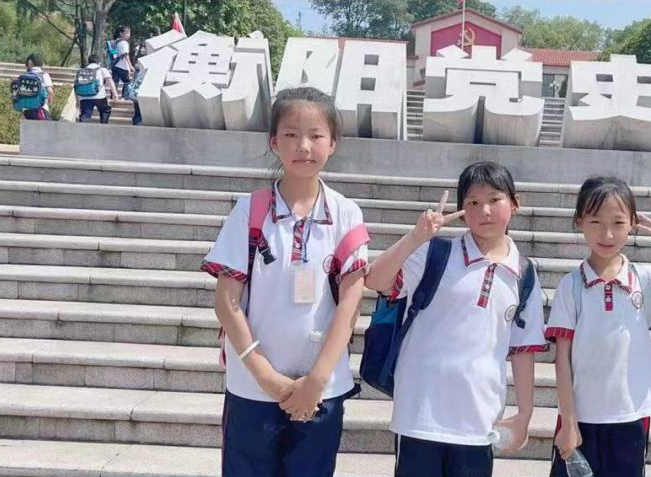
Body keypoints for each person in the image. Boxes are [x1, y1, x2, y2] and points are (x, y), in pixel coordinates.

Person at [201, 87, 369, 476]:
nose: (303, 146)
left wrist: (317, 380)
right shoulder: (251, 210)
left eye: (315, 135)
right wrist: (264, 375)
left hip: (321, 390)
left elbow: (351, 302)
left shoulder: (346, 213)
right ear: (273, 142)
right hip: (252, 388)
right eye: (291, 134)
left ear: (333, 143)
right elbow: (226, 300)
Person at [365, 161, 546, 477]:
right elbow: (376, 280)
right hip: (420, 414)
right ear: (461, 210)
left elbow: (523, 349)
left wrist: (525, 413)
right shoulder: (435, 253)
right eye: (473, 203)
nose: (484, 211)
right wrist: (415, 238)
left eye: (494, 199)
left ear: (515, 203)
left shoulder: (524, 273)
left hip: (478, 418)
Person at [547, 176, 651, 477]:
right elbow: (562, 358)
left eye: (618, 223)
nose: (607, 234)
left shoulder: (646, 279)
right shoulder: (571, 286)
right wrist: (568, 420)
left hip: (631, 416)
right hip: (580, 418)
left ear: (633, 224)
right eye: (596, 222)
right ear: (579, 221)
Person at [76, 54, 118, 124]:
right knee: (105, 110)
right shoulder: (102, 69)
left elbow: (77, 86)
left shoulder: (81, 71)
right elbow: (110, 81)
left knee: (85, 115)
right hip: (99, 96)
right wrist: (115, 93)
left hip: (84, 97)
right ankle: (103, 126)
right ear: (99, 62)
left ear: (88, 62)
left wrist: (77, 100)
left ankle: (82, 129)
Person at [17, 53, 54, 120]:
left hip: (26, 111)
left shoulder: (23, 76)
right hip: (42, 109)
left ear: (29, 63)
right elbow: (50, 92)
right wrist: (49, 102)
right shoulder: (44, 75)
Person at [111, 26, 134, 95]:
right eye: (127, 33)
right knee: (127, 82)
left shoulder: (115, 42)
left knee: (115, 82)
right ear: (121, 34)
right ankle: (125, 96)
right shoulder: (124, 42)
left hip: (115, 64)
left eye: (129, 33)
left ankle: (113, 96)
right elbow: (126, 54)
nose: (128, 35)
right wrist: (130, 66)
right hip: (122, 66)